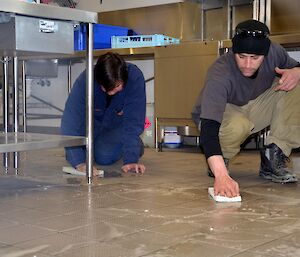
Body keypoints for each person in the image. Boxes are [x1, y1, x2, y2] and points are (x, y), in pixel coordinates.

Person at [192, 19, 300, 198]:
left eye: (255, 58)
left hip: (255, 106)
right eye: (241, 57)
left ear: (265, 54)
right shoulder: (220, 73)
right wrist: (221, 175)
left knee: (296, 82)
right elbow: (209, 128)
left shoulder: (275, 52)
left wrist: (297, 72)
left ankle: (273, 156)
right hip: (224, 115)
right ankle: (221, 160)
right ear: (234, 51)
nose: (247, 65)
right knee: (238, 125)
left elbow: (296, 66)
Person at [61, 52, 146, 175]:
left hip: (116, 129)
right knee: (78, 152)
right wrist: (79, 162)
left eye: (118, 85)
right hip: (92, 128)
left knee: (104, 156)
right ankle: (97, 148)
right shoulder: (86, 79)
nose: (114, 90)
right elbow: (70, 121)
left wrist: (131, 160)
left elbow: (133, 121)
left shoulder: (134, 78)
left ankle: (135, 146)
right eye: (108, 88)